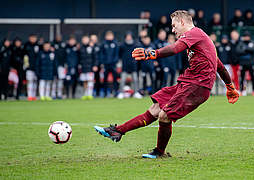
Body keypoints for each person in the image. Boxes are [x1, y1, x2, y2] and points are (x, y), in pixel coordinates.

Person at [94, 10, 239, 159]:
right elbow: (219, 65)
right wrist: (230, 86)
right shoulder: (201, 40)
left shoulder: (194, 33)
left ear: (183, 22)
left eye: (174, 26)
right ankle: (118, 131)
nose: (173, 30)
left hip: (197, 86)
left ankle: (159, 152)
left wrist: (152, 53)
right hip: (188, 82)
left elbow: (175, 48)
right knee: (155, 109)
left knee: (164, 115)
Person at [117, 32, 142, 99]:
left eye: (129, 36)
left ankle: (136, 92)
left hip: (133, 65)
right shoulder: (122, 46)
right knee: (122, 80)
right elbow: (119, 55)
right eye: (127, 36)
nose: (128, 38)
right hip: (125, 65)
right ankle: (121, 93)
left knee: (135, 80)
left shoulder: (135, 45)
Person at [236, 31, 254, 96]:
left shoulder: (252, 42)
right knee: (242, 78)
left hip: (251, 63)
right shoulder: (241, 43)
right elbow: (238, 51)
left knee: (252, 77)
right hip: (243, 63)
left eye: (247, 36)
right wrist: (248, 50)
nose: (246, 38)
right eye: (245, 36)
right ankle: (241, 91)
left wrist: (245, 49)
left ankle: (253, 91)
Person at [100, 31, 119, 97]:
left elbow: (116, 54)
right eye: (108, 36)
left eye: (110, 36)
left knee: (115, 79)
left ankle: (115, 92)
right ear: (106, 37)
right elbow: (102, 54)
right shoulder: (103, 44)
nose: (109, 37)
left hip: (113, 64)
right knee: (105, 79)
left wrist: (114, 61)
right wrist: (103, 62)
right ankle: (105, 93)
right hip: (106, 65)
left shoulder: (115, 43)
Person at [79, 35, 98, 100]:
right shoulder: (80, 48)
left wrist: (95, 65)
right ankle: (85, 94)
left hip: (90, 67)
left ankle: (90, 94)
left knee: (90, 81)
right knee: (84, 81)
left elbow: (95, 57)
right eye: (84, 40)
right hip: (83, 67)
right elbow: (79, 58)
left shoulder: (91, 48)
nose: (85, 41)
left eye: (86, 40)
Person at [24, 34, 40, 101]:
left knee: (35, 82)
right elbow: (24, 56)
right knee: (30, 81)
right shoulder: (26, 46)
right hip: (29, 67)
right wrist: (25, 65)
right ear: (29, 38)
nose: (33, 39)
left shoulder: (38, 46)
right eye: (32, 38)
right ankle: (29, 96)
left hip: (36, 67)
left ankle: (34, 96)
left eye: (34, 38)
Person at [51, 35, 66, 99]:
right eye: (57, 37)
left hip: (61, 65)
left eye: (60, 37)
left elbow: (65, 55)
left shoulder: (63, 45)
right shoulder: (52, 44)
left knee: (60, 80)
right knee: (54, 80)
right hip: (54, 65)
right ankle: (53, 94)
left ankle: (59, 94)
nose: (58, 38)